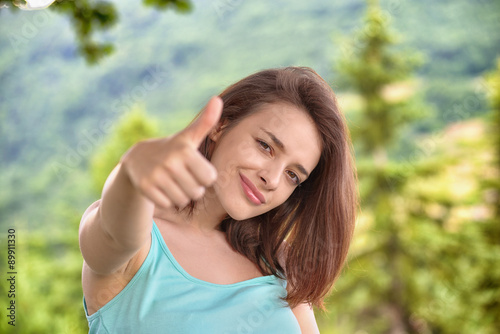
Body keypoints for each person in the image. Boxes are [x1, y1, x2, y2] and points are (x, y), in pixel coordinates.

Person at [79, 66, 358, 333]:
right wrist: (129, 173)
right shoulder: (140, 242)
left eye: (292, 175)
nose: (272, 180)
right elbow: (113, 235)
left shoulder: (277, 261)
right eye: (266, 146)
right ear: (221, 125)